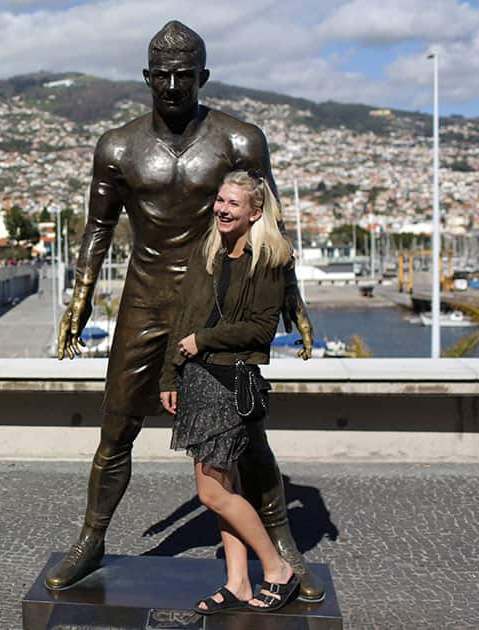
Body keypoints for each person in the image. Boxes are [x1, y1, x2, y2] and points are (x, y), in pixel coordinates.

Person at [47, 20, 324, 603]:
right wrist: (79, 297)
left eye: (184, 75)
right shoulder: (117, 146)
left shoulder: (239, 139)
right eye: (162, 76)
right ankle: (91, 539)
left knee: (246, 436)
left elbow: (272, 227)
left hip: (215, 299)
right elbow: (97, 228)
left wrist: (292, 299)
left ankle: (282, 542)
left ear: (203, 76)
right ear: (147, 77)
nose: (173, 86)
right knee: (116, 425)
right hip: (144, 300)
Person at [160, 170, 297, 613]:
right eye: (220, 199)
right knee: (226, 484)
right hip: (197, 379)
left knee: (211, 493)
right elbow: (183, 316)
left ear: (255, 212)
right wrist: (169, 375)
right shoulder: (211, 252)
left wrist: (204, 341)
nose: (221, 208)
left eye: (233, 203)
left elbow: (261, 329)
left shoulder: (269, 259)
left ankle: (277, 569)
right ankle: (237, 582)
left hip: (228, 382)